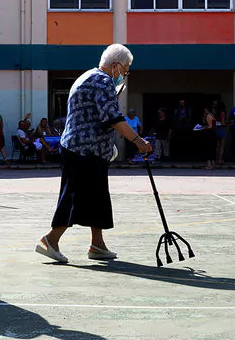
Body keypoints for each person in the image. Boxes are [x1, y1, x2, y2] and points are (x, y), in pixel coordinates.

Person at [35, 44, 152, 263]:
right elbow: (113, 118)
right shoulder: (103, 81)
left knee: (97, 197)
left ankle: (97, 244)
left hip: (85, 148)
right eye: (126, 68)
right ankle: (50, 240)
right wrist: (138, 141)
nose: (126, 73)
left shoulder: (88, 76)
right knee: (74, 195)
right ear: (116, 65)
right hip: (84, 149)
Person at [212, 100, 227, 165]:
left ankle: (216, 160)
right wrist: (229, 124)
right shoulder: (222, 113)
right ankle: (220, 160)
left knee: (217, 146)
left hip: (215, 128)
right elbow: (223, 123)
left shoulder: (214, 112)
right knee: (222, 146)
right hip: (221, 128)